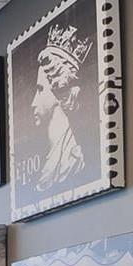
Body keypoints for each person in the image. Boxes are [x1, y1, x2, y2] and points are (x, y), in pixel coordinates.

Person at [30, 22, 93, 192]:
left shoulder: (73, 158)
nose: (32, 103)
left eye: (40, 89)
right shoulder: (52, 159)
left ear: (58, 91)